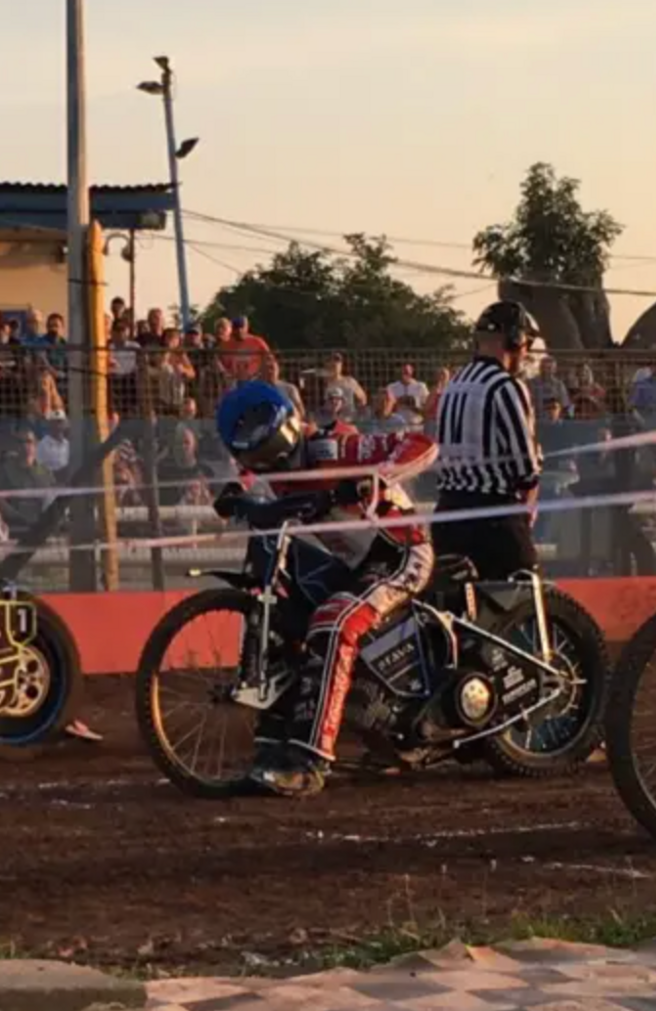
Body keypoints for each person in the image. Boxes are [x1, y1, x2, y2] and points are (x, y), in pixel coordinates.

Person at [210, 380, 437, 797]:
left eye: (264, 454)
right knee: (282, 617)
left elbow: (422, 443)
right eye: (252, 457)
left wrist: (373, 479)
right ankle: (271, 749)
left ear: (284, 434)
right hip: (353, 565)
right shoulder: (271, 469)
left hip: (401, 552)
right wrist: (235, 492)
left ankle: (311, 762)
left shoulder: (335, 447)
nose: (263, 465)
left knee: (333, 623)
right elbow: (248, 476)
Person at [432, 302, 544, 581]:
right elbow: (525, 468)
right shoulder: (505, 385)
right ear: (516, 339)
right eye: (526, 344)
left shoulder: (454, 384)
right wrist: (528, 503)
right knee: (526, 595)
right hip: (492, 518)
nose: (526, 352)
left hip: (447, 514)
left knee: (460, 610)